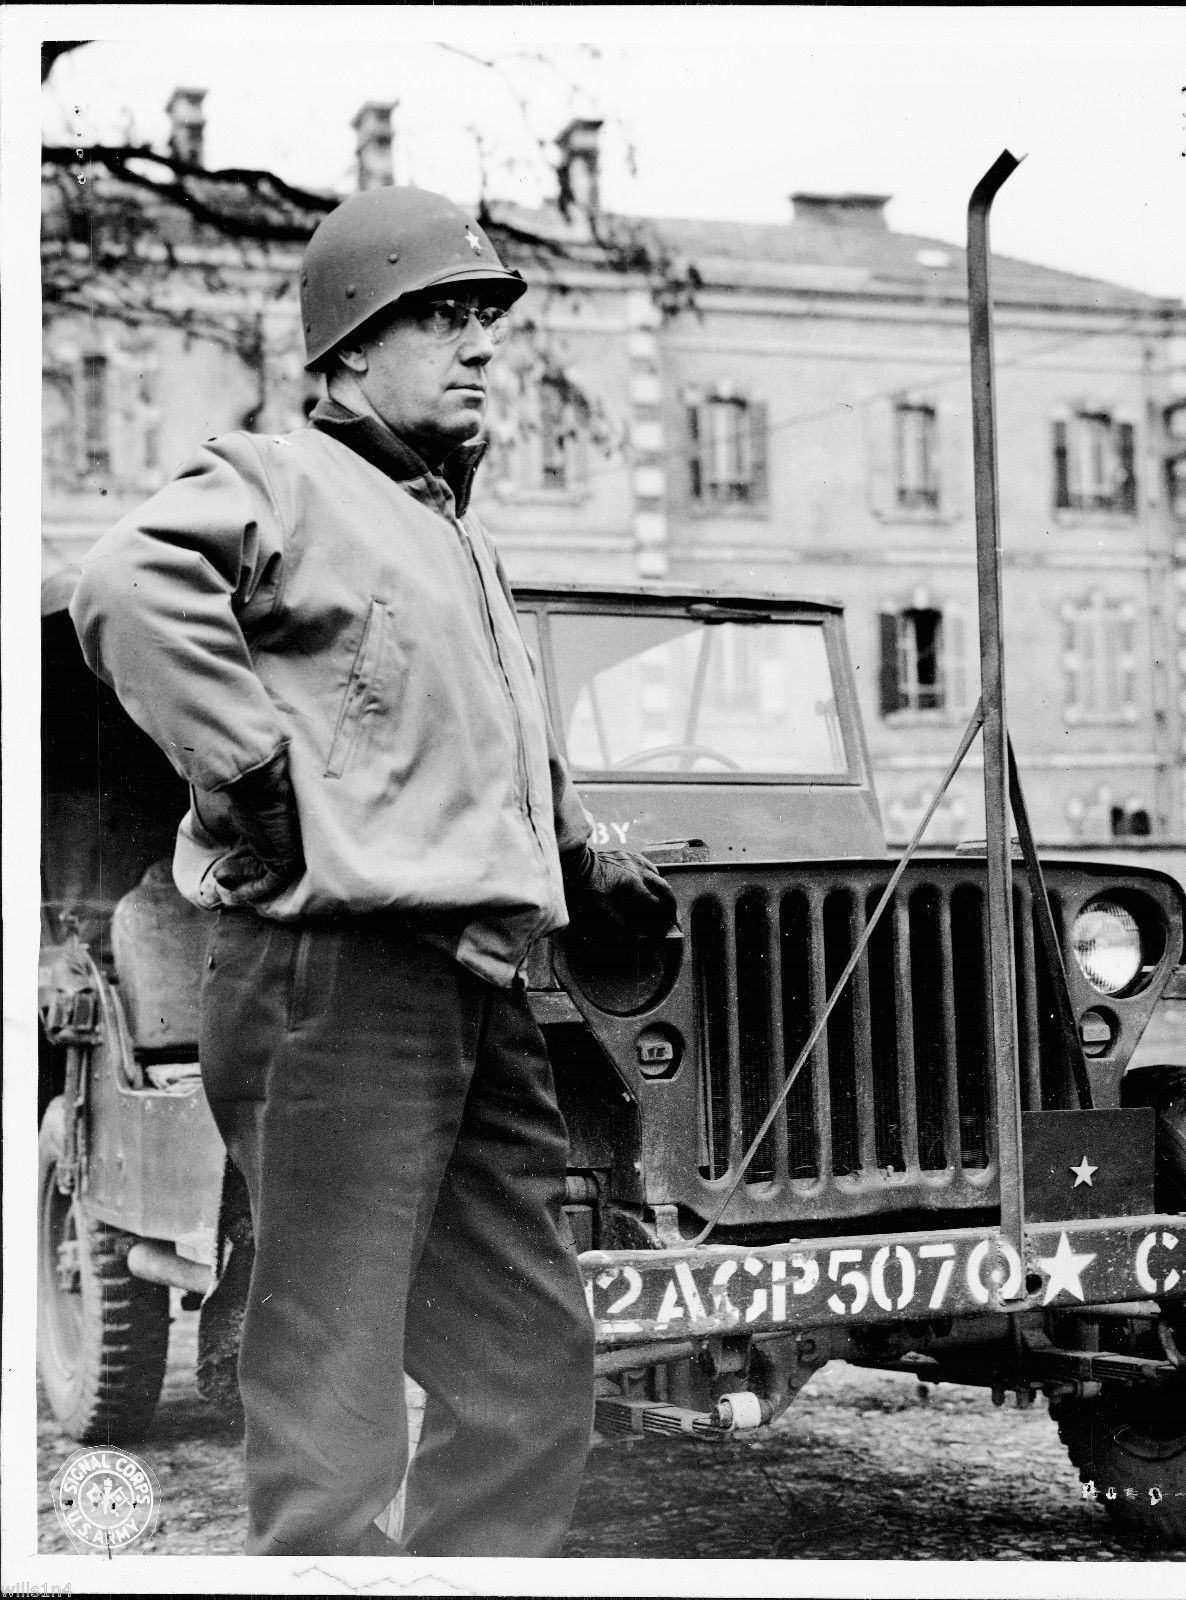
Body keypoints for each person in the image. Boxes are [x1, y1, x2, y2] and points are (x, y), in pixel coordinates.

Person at [70, 186, 678, 1557]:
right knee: (333, 1406)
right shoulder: (283, 478)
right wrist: (250, 774)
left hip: (477, 990)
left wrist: (582, 851)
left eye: (485, 320)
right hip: (332, 987)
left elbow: (485, 735)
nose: (481, 346)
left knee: (529, 1377)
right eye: (443, 317)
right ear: (348, 351)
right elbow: (125, 583)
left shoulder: (455, 530)